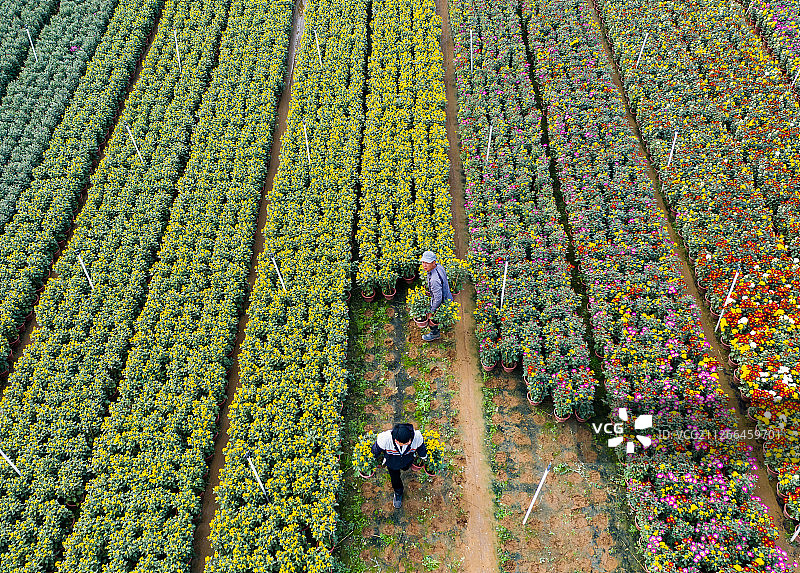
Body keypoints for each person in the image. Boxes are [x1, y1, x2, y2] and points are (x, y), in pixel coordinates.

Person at [371, 423, 427, 508]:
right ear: (396, 441)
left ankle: (405, 467)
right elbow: (374, 452)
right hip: (392, 462)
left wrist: (426, 459)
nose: (409, 443)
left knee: (405, 467)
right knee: (395, 478)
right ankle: (398, 492)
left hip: (408, 459)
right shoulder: (385, 439)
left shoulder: (417, 437)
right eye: (405, 443)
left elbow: (421, 450)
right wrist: (370, 463)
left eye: (409, 440)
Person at [420, 250, 452, 342]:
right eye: (423, 262)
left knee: (432, 320)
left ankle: (435, 334)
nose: (424, 265)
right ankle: (443, 323)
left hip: (442, 301)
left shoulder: (434, 280)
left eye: (427, 263)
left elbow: (438, 299)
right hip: (447, 296)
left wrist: (431, 311)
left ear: (433, 262)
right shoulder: (439, 267)